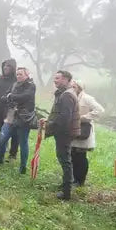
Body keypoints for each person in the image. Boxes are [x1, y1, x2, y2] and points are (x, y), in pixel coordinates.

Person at [42, 70, 79, 200]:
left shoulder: (67, 95)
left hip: (64, 133)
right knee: (64, 159)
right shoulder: (65, 93)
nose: (55, 80)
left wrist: (50, 123)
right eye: (55, 78)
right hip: (64, 132)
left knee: (65, 160)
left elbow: (65, 118)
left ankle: (66, 192)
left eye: (58, 78)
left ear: (66, 79)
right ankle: (66, 185)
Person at [0, 67, 36, 173]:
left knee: (23, 143)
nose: (18, 76)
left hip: (24, 118)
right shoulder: (14, 84)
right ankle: (0, 162)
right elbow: (6, 96)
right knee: (2, 139)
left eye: (21, 74)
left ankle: (22, 168)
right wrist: (7, 97)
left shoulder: (31, 85)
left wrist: (11, 96)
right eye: (17, 74)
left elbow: (25, 96)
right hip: (11, 115)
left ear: (27, 75)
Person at [69, 81, 105, 187]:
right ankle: (73, 178)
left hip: (84, 129)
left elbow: (100, 110)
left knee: (80, 156)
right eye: (71, 86)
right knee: (72, 155)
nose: (72, 88)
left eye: (74, 86)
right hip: (72, 129)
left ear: (79, 87)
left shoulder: (87, 98)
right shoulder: (70, 97)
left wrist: (83, 117)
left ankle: (80, 180)